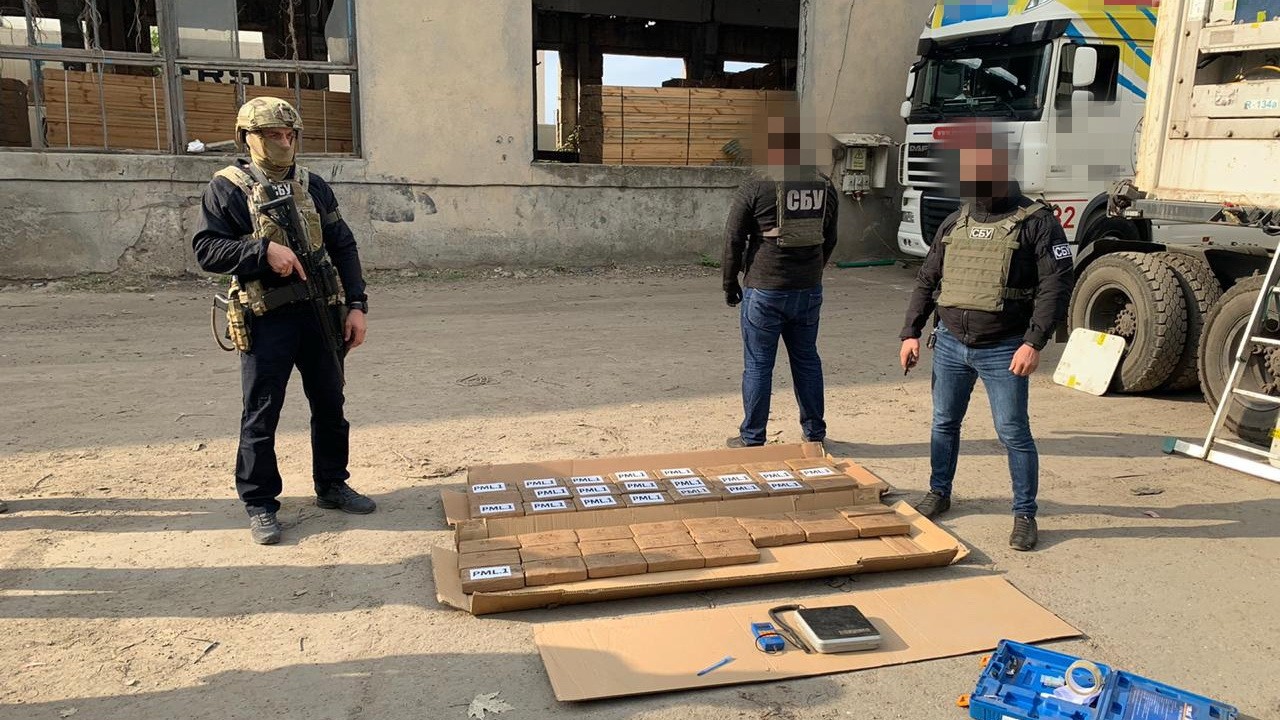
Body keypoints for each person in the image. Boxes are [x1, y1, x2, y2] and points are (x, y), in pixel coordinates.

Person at [192, 97, 374, 545]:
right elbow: (207, 249)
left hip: (320, 314)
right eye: (273, 135)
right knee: (261, 412)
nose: (284, 143)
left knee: (330, 404)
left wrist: (357, 305)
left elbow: (343, 244)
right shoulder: (228, 187)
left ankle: (332, 485)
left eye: (290, 135)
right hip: (266, 318)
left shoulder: (312, 185)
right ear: (247, 138)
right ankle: (260, 503)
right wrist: (262, 251)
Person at [898, 123, 1074, 551]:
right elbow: (927, 278)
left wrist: (1034, 342)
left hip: (1005, 347)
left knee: (1013, 432)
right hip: (950, 344)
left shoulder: (1037, 221)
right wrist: (911, 332)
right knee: (944, 423)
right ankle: (939, 492)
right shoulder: (956, 220)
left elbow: (1056, 285)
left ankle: (1025, 514)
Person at [722, 106, 839, 448]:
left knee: (759, 364)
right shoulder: (824, 186)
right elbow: (830, 238)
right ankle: (814, 434)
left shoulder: (757, 185)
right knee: (807, 359)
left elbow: (733, 238)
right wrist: (812, 271)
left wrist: (729, 283)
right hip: (808, 290)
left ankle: (752, 437)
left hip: (765, 289)